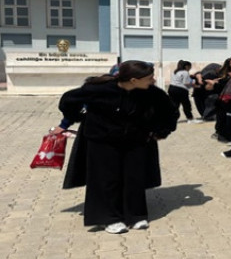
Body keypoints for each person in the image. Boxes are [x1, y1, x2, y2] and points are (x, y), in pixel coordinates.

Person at [56, 61, 178, 234]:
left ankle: (135, 215)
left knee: (134, 178)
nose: (153, 80)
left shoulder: (151, 92)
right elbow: (68, 101)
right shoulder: (99, 89)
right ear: (134, 80)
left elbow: (169, 111)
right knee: (106, 179)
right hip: (102, 141)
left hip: (136, 140)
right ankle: (109, 218)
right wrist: (80, 117)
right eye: (150, 78)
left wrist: (161, 130)